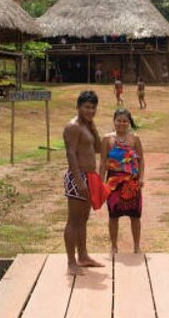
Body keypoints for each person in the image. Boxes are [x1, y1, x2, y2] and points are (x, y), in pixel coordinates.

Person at [63, 90, 105, 275]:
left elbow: (97, 148)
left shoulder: (87, 126)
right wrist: (79, 181)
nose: (90, 110)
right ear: (78, 107)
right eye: (87, 107)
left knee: (83, 220)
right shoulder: (72, 127)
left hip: (89, 176)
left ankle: (83, 256)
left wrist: (93, 127)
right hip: (77, 176)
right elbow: (70, 153)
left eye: (93, 108)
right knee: (73, 220)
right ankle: (71, 262)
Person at [99, 108, 145, 255]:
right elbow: (102, 162)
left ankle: (137, 246)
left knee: (135, 215)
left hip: (132, 182)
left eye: (125, 121)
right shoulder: (107, 139)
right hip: (113, 182)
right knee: (113, 216)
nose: (121, 123)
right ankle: (114, 246)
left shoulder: (135, 139)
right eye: (119, 120)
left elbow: (141, 159)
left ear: (129, 123)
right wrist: (100, 182)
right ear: (114, 121)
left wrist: (141, 178)